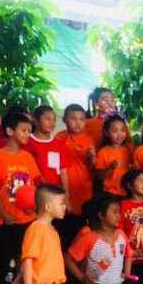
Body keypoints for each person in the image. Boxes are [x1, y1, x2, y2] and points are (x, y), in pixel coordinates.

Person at [66, 194, 143, 284]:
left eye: (119, 212)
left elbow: (128, 254)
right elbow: (68, 258)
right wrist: (82, 278)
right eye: (114, 212)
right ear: (101, 215)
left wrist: (127, 274)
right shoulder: (90, 237)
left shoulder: (121, 234)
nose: (119, 216)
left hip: (119, 283)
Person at [0, 112, 41, 284]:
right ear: (10, 131)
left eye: (29, 131)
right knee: (0, 256)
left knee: (23, 254)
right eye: (23, 130)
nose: (27, 135)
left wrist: (33, 208)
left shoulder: (28, 157)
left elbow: (33, 185)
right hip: (3, 218)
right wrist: (3, 213)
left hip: (26, 217)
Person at [55, 104, 96, 248]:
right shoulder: (59, 137)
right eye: (73, 119)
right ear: (64, 120)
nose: (78, 123)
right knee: (62, 228)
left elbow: (93, 166)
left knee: (80, 230)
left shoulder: (89, 139)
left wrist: (92, 158)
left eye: (81, 119)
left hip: (83, 189)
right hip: (62, 188)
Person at [26, 106, 71, 197]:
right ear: (35, 120)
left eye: (54, 120)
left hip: (54, 193)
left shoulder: (59, 145)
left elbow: (63, 172)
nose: (52, 123)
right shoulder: (27, 142)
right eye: (47, 119)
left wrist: (66, 195)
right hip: (32, 192)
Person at [95, 113, 133, 196]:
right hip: (110, 193)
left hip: (127, 192)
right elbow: (99, 176)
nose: (120, 134)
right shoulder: (103, 152)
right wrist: (111, 168)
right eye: (115, 131)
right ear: (106, 133)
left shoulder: (128, 150)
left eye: (123, 130)